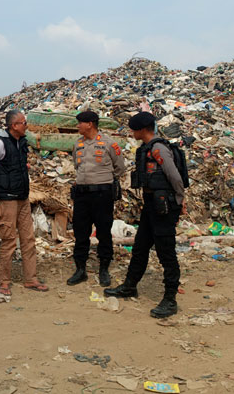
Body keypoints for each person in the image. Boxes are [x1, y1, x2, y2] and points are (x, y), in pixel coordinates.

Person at [105, 111, 186, 318]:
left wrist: (179, 200)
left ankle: (170, 299)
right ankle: (130, 286)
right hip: (152, 204)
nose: (131, 133)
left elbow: (175, 177)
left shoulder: (158, 148)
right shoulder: (146, 149)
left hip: (164, 205)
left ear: (142, 130)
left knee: (166, 252)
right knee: (140, 247)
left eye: (133, 129)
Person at [0, 110, 49, 295]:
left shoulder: (22, 142)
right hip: (7, 199)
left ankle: (31, 279)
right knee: (8, 240)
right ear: (14, 126)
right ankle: (4, 281)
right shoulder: (0, 143)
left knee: (28, 239)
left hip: (22, 198)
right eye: (23, 123)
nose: (26, 125)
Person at [67, 110, 126, 287]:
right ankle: (80, 270)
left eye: (80, 123)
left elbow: (120, 168)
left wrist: (103, 180)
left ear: (90, 124)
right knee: (80, 232)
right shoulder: (78, 144)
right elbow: (77, 166)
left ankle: (104, 269)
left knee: (103, 232)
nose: (78, 126)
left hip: (102, 194)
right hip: (82, 195)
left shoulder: (109, 143)